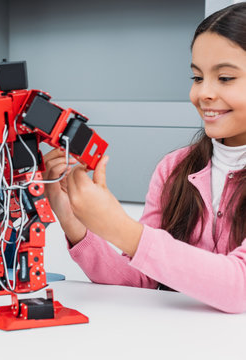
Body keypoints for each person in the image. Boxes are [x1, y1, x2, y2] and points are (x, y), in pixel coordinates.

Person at [43, 2, 246, 313]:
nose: (203, 93)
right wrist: (75, 221)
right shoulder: (174, 169)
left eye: (226, 78)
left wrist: (121, 229)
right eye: (196, 77)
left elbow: (238, 287)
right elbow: (141, 278)